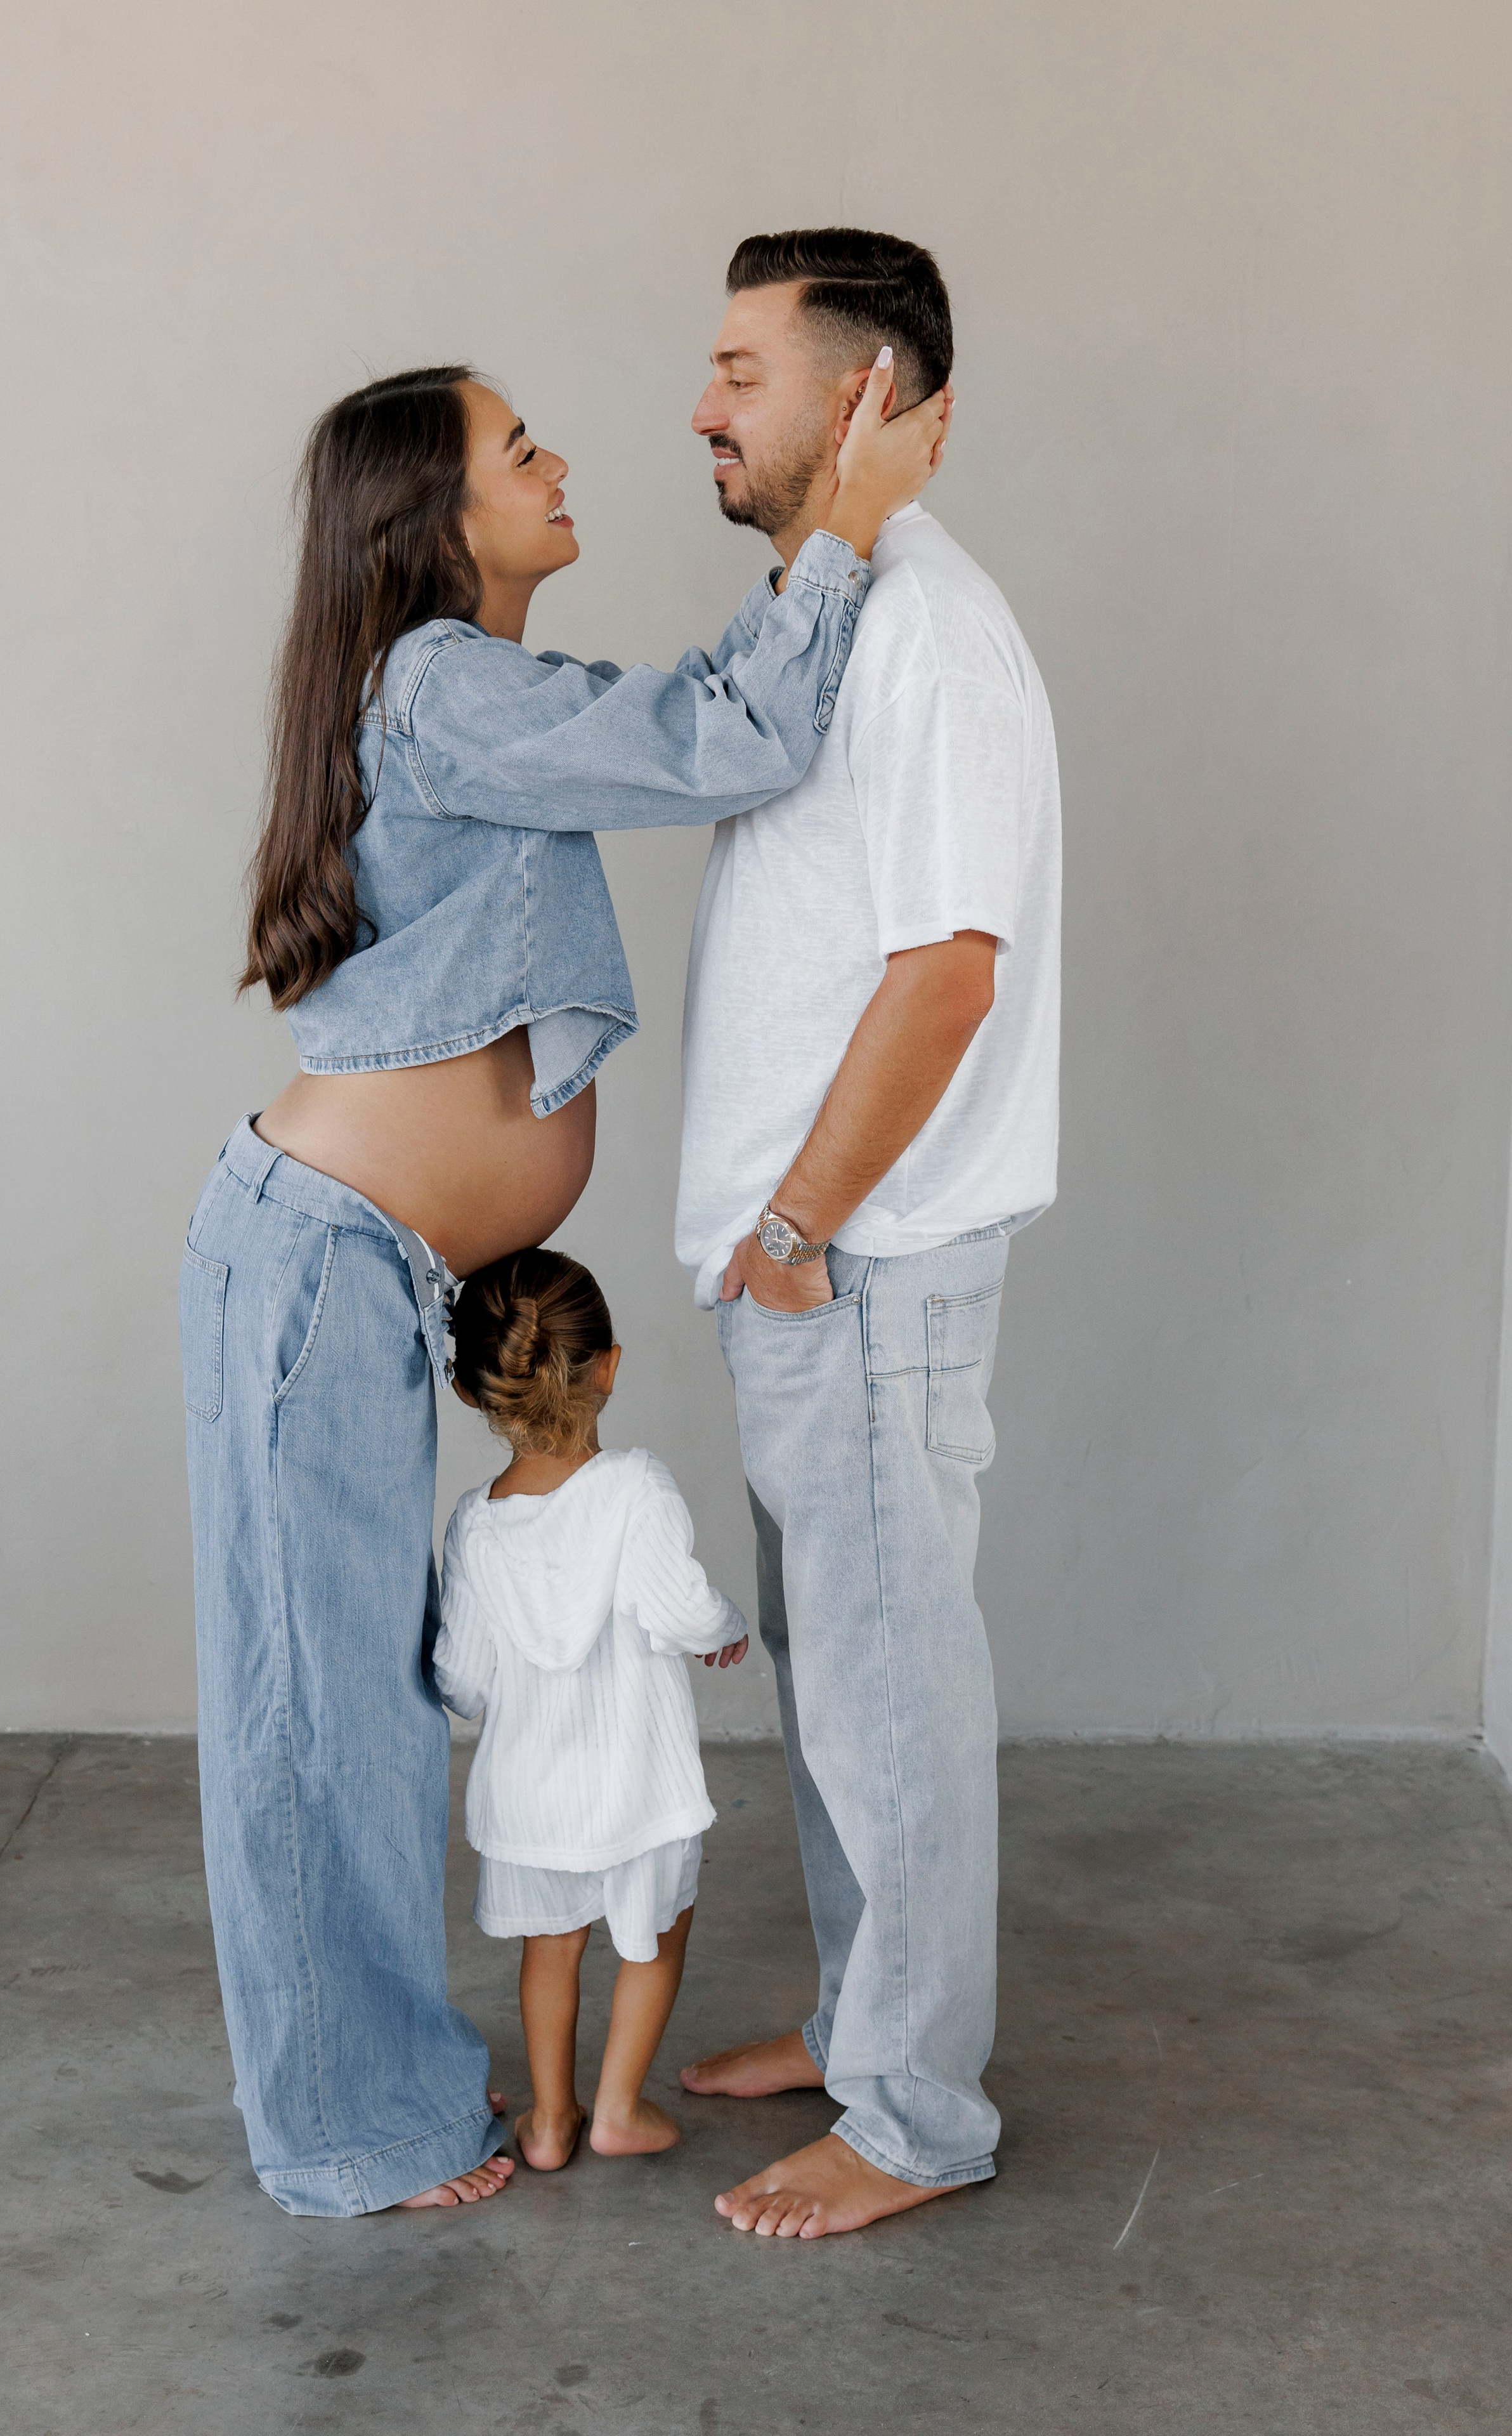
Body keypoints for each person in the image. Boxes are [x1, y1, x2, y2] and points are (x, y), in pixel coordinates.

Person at [179, 355, 947, 2217]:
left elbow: (679, 716)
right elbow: (723, 738)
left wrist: (820, 557)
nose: (558, 462)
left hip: (342, 1268)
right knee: (316, 1720)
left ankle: (370, 2096)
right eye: (516, 450)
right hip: (314, 1265)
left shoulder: (462, 691)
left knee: (346, 1706)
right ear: (432, 521)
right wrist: (841, 532)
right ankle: (348, 2129)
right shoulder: (441, 684)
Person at [675, 228, 1062, 2238]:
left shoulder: (928, 636)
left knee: (893, 1693)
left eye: (741, 372)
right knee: (842, 1682)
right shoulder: (844, 612)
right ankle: (860, 2024)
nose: (701, 409)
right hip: (816, 1268)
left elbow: (946, 975)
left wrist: (801, 1227)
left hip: (862, 1261)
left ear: (864, 394)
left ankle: (916, 2115)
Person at [435, 1248, 748, 2171]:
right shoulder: (636, 1487)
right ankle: (617, 2109)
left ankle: (549, 2121)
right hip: (638, 1783)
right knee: (658, 1933)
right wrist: (724, 1629)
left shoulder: (475, 1526)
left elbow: (462, 1680)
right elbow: (682, 1608)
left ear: (473, 1391)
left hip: (531, 1795)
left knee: (551, 1947)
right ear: (609, 1366)